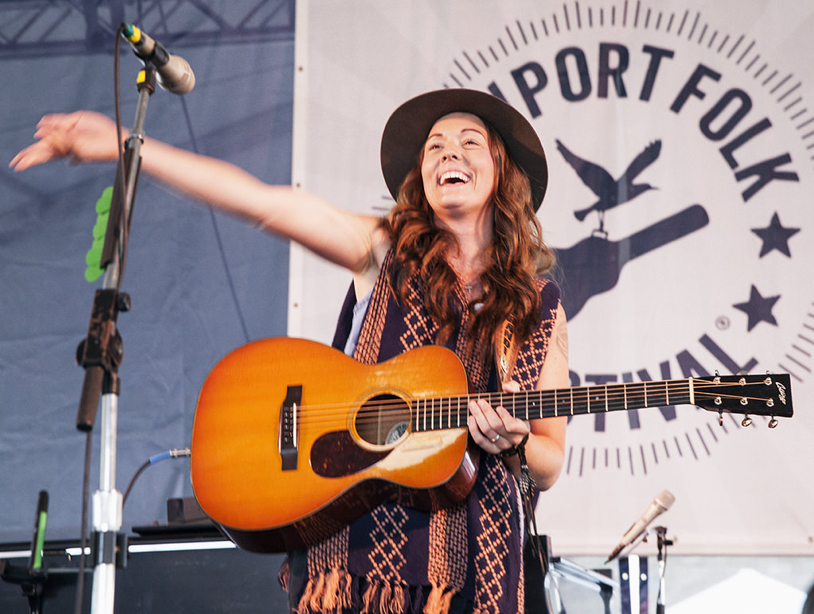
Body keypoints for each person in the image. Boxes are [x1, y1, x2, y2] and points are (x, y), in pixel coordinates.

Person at [11, 88, 569, 613]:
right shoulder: (380, 251)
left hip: (481, 564)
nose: (450, 153)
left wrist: (518, 441)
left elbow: (549, 460)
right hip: (353, 556)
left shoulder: (539, 306)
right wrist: (127, 146)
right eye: (435, 147)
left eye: (470, 141)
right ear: (420, 175)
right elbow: (263, 204)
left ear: (502, 172)